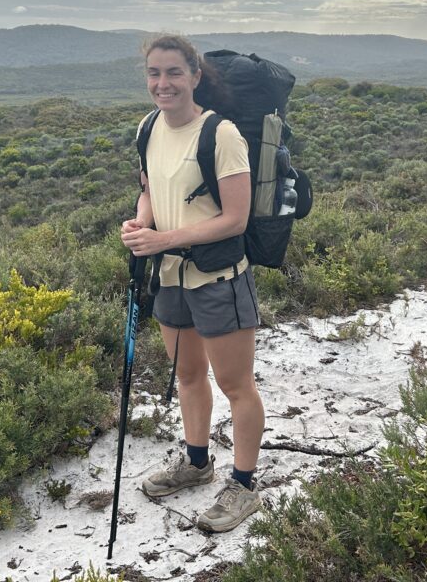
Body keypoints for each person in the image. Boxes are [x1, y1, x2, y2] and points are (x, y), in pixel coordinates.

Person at [120, 33, 264, 533]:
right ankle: (197, 462)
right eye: (154, 73)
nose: (163, 83)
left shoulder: (221, 135)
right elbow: (149, 191)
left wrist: (163, 239)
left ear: (196, 76)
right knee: (187, 375)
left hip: (218, 277)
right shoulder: (148, 127)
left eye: (174, 73)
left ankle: (244, 486)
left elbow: (236, 219)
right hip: (171, 276)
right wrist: (141, 224)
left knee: (236, 385)